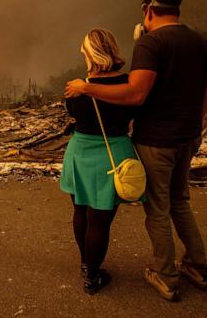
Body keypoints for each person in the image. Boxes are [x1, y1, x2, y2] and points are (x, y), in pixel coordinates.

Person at [65, 0, 207, 302]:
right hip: (188, 137)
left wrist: (87, 87)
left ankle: (166, 276)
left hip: (157, 141)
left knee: (157, 210)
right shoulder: (201, 42)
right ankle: (198, 267)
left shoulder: (151, 43)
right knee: (180, 202)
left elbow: (136, 94)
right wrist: (195, 126)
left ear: (148, 10)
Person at [60, 28, 144, 295]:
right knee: (100, 221)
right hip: (113, 153)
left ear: (91, 53)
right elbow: (135, 111)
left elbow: (73, 113)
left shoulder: (76, 88)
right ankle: (92, 275)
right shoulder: (129, 84)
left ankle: (87, 267)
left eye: (83, 50)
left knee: (80, 211)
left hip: (81, 151)